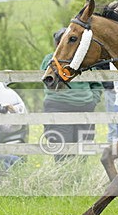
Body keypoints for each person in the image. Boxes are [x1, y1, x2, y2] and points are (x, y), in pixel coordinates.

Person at [41, 28, 104, 160]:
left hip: (84, 107)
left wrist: (92, 101)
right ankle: (63, 172)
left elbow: (96, 84)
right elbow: (47, 81)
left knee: (84, 147)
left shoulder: (84, 60)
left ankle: (80, 172)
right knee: (62, 147)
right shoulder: (51, 60)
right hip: (59, 107)